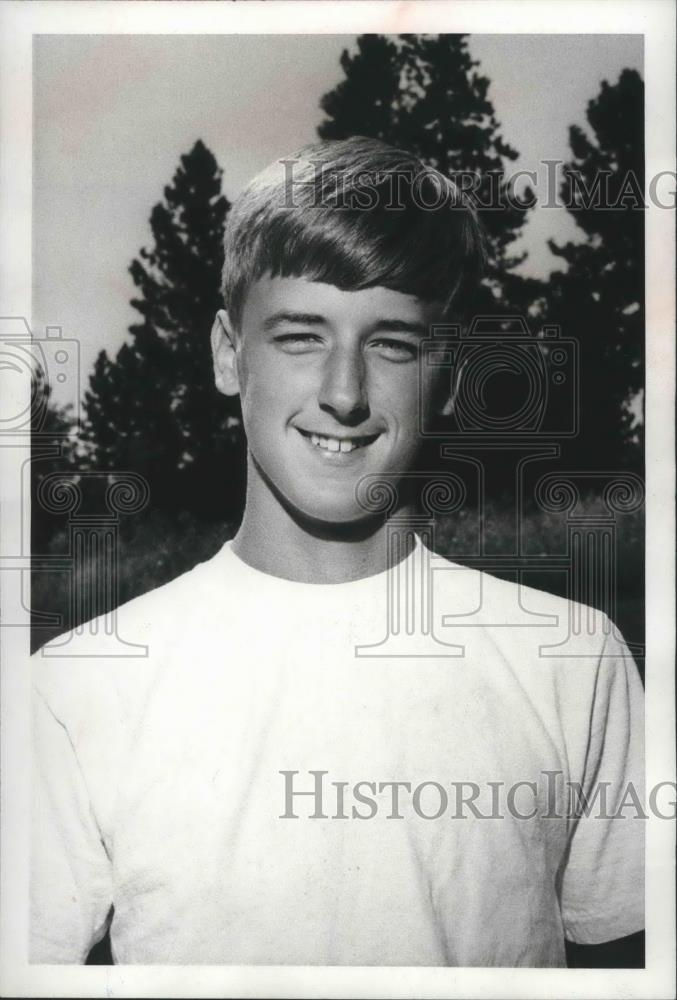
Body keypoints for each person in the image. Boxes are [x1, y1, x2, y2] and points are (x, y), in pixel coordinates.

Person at [31, 137, 644, 967]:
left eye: (392, 343)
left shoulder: (572, 659)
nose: (345, 394)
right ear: (226, 353)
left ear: (450, 375)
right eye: (299, 336)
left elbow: (623, 960)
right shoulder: (76, 685)